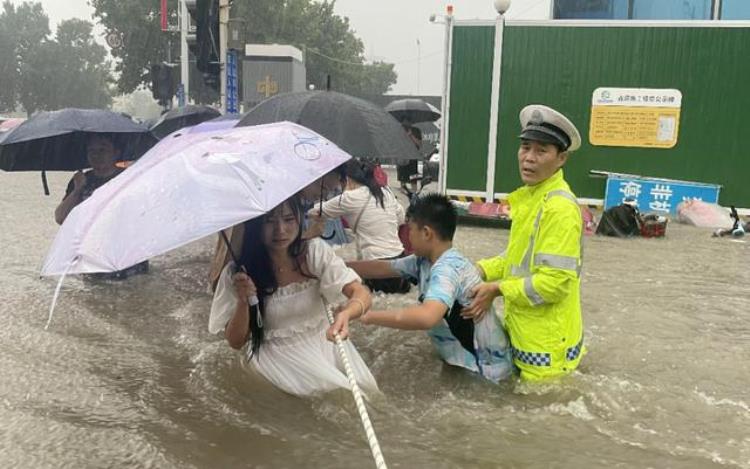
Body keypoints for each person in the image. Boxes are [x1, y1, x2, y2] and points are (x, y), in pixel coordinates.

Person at [208, 196, 378, 397]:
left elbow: (361, 294)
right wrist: (244, 301)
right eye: (269, 222)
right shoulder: (237, 274)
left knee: (366, 394)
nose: (280, 230)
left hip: (329, 346)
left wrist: (346, 314)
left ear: (299, 219)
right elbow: (236, 342)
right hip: (279, 362)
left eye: (288, 219)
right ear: (255, 226)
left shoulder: (313, 252)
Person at [463, 104, 585, 382]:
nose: (529, 158)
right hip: (526, 335)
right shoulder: (532, 199)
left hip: (547, 354)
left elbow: (553, 283)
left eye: (541, 151)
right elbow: (517, 260)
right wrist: (479, 270)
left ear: (561, 158)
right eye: (525, 147)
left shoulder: (558, 208)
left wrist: (496, 289)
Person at [347, 193, 513, 383]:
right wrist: (334, 266)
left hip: (487, 372)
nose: (407, 237)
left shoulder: (447, 270)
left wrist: (366, 316)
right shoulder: (423, 261)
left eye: (410, 230)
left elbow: (427, 317)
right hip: (463, 362)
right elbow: (383, 267)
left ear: (426, 233)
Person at [54, 134, 148, 279]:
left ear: (116, 153)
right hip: (93, 256)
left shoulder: (129, 178)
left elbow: (143, 215)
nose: (96, 155)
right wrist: (77, 190)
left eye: (102, 150)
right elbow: (60, 218)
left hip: (128, 255)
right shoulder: (81, 180)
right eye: (91, 151)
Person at [310, 160, 411, 294]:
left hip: (374, 267)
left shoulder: (349, 198)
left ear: (347, 179)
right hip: (400, 263)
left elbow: (313, 212)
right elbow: (401, 217)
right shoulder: (385, 192)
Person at [397, 125, 421, 195]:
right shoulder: (399, 130)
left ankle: (413, 193)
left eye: (407, 120)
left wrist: (411, 136)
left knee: (413, 180)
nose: (405, 122)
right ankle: (404, 191)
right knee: (402, 179)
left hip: (413, 159)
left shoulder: (416, 130)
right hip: (403, 158)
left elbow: (419, 144)